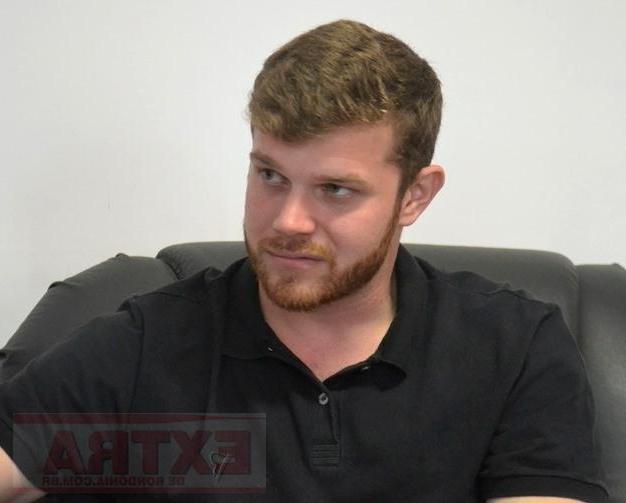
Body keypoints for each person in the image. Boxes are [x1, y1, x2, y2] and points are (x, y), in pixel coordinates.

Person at [0, 19, 607, 502]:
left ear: (415, 196)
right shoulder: (144, 346)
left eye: (334, 189)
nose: (288, 221)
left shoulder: (513, 346)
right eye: (270, 175)